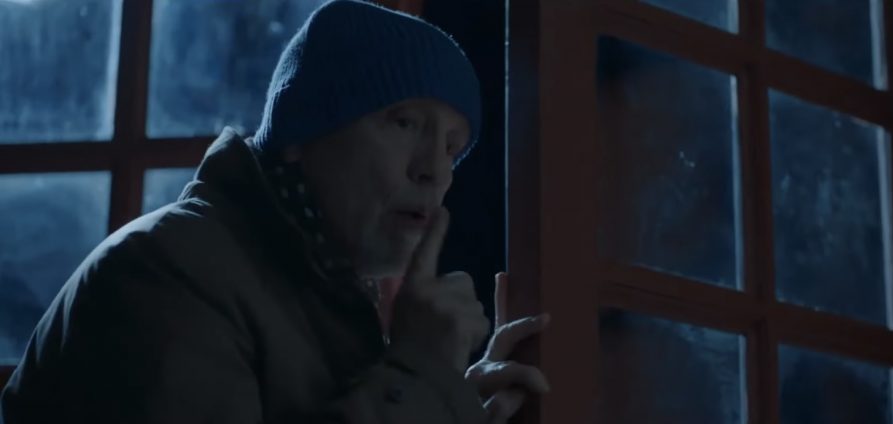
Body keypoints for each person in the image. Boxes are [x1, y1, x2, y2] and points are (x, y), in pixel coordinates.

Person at [0, 1, 550, 423]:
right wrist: (422, 375)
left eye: (453, 147)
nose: (434, 170)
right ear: (300, 135)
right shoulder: (166, 274)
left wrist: (450, 403)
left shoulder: (319, 291)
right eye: (403, 123)